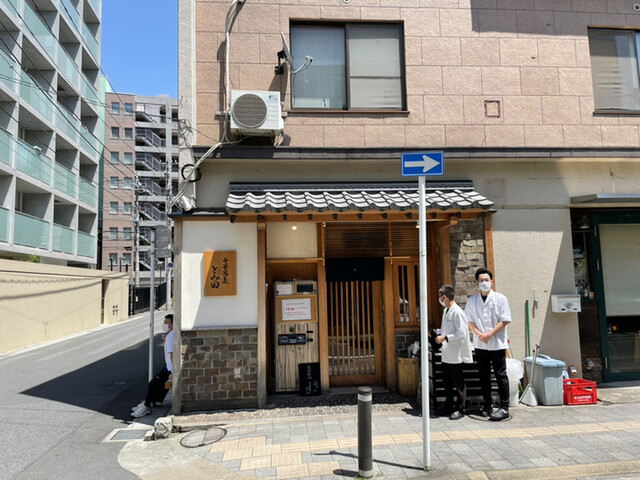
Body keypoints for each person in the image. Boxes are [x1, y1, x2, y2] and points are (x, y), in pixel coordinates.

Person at [465, 268, 511, 421]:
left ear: (492, 281)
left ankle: (504, 407)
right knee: (483, 375)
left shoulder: (500, 299)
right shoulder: (472, 300)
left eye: (487, 280)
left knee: (500, 374)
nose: (484, 283)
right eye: (481, 280)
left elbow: (505, 319)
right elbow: (469, 321)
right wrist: (480, 335)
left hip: (497, 343)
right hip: (480, 344)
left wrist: (490, 334)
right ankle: (487, 404)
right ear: (476, 283)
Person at [435, 285, 473, 420]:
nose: (439, 299)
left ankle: (460, 408)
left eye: (440, 296)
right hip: (446, 352)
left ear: (444, 297)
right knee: (447, 382)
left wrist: (445, 338)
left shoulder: (457, 312)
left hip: (456, 354)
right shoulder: (446, 311)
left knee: (458, 382)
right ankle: (448, 405)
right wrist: (439, 335)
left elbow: (461, 333)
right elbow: (447, 329)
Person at [131, 314, 174, 418]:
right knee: (156, 384)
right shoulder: (169, 335)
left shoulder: (171, 336)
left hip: (170, 368)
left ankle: (146, 406)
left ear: (172, 324)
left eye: (166, 323)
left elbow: (173, 354)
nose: (164, 325)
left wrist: (173, 371)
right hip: (168, 366)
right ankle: (148, 402)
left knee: (153, 384)